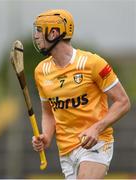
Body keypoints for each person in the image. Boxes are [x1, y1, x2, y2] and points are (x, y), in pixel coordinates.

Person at [32, 9, 131, 179]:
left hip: (96, 144)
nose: (36, 36)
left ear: (54, 32)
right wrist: (46, 136)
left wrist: (97, 128)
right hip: (65, 151)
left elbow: (123, 102)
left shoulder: (92, 63)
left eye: (39, 30)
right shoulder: (41, 71)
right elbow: (48, 112)